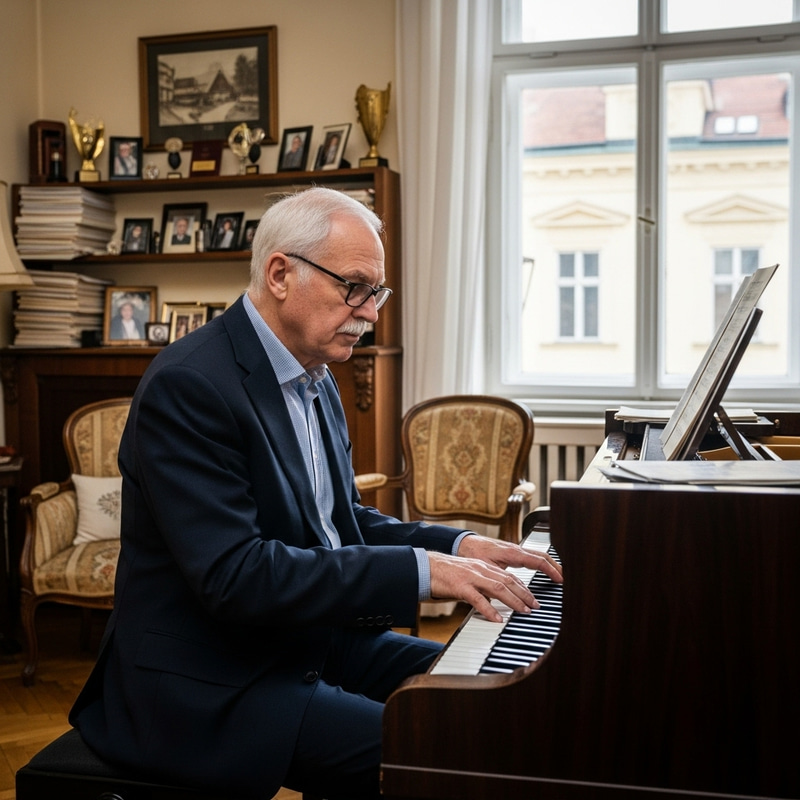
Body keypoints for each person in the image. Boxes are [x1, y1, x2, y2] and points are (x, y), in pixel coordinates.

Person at [69, 187, 562, 800]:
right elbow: (237, 576)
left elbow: (338, 522)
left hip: (304, 642)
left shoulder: (316, 374)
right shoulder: (190, 386)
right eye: (354, 287)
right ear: (281, 274)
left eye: (376, 292)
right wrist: (424, 572)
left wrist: (460, 546)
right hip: (209, 681)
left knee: (501, 694)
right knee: (443, 746)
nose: (370, 311)